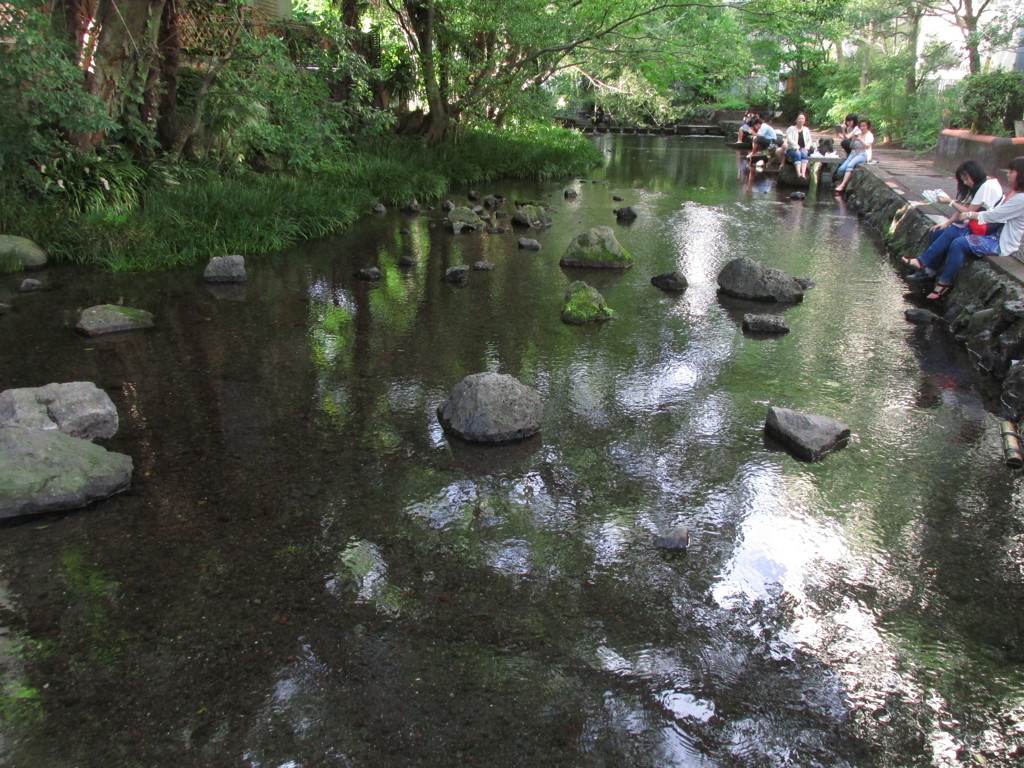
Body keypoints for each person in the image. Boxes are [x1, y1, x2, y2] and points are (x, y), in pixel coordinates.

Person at [902, 158, 1024, 301]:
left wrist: (969, 214)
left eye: (1011, 172)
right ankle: (927, 267)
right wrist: (951, 220)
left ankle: (944, 282)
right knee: (945, 231)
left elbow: (994, 216)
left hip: (999, 241)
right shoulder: (1015, 193)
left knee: (959, 243)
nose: (1007, 175)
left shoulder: (1020, 198)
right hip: (994, 234)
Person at [905, 160, 1003, 281]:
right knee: (937, 232)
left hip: (986, 230)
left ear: (975, 173)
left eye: (966, 179)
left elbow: (967, 212)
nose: (965, 183)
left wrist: (949, 202)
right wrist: (946, 223)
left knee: (954, 233)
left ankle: (922, 262)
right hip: (977, 224)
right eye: (963, 180)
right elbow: (965, 207)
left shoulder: (987, 186)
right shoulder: (981, 185)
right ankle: (929, 271)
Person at [832, 119, 874, 192]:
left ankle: (843, 185)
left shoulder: (869, 135)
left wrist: (860, 139)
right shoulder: (858, 133)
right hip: (853, 153)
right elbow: (851, 146)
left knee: (849, 165)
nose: (862, 127)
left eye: (864, 126)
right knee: (840, 169)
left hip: (863, 154)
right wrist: (854, 140)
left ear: (868, 126)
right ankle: (841, 181)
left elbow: (867, 146)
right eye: (861, 126)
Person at [782, 114, 812, 178]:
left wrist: (807, 148)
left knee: (804, 154)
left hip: (802, 148)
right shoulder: (791, 129)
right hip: (791, 148)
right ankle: (799, 173)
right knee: (797, 154)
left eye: (802, 119)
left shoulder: (806, 129)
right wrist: (796, 147)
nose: (801, 120)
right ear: (796, 120)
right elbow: (789, 139)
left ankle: (803, 174)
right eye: (799, 118)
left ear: (804, 121)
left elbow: (809, 140)